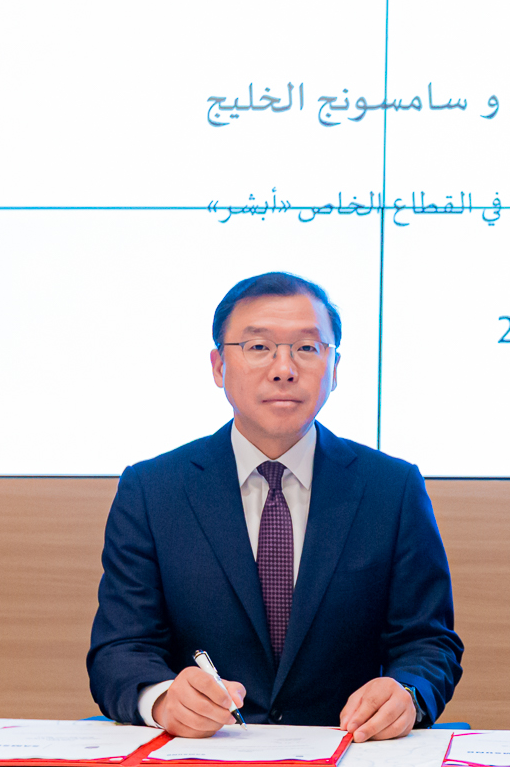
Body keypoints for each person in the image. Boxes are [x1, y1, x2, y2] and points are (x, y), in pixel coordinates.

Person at [88, 271, 462, 740]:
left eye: (307, 348)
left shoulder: (392, 488)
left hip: (348, 757)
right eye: (259, 347)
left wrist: (406, 692)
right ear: (218, 366)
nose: (284, 369)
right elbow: (120, 649)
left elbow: (428, 643)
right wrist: (163, 700)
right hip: (202, 757)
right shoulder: (153, 490)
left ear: (334, 367)